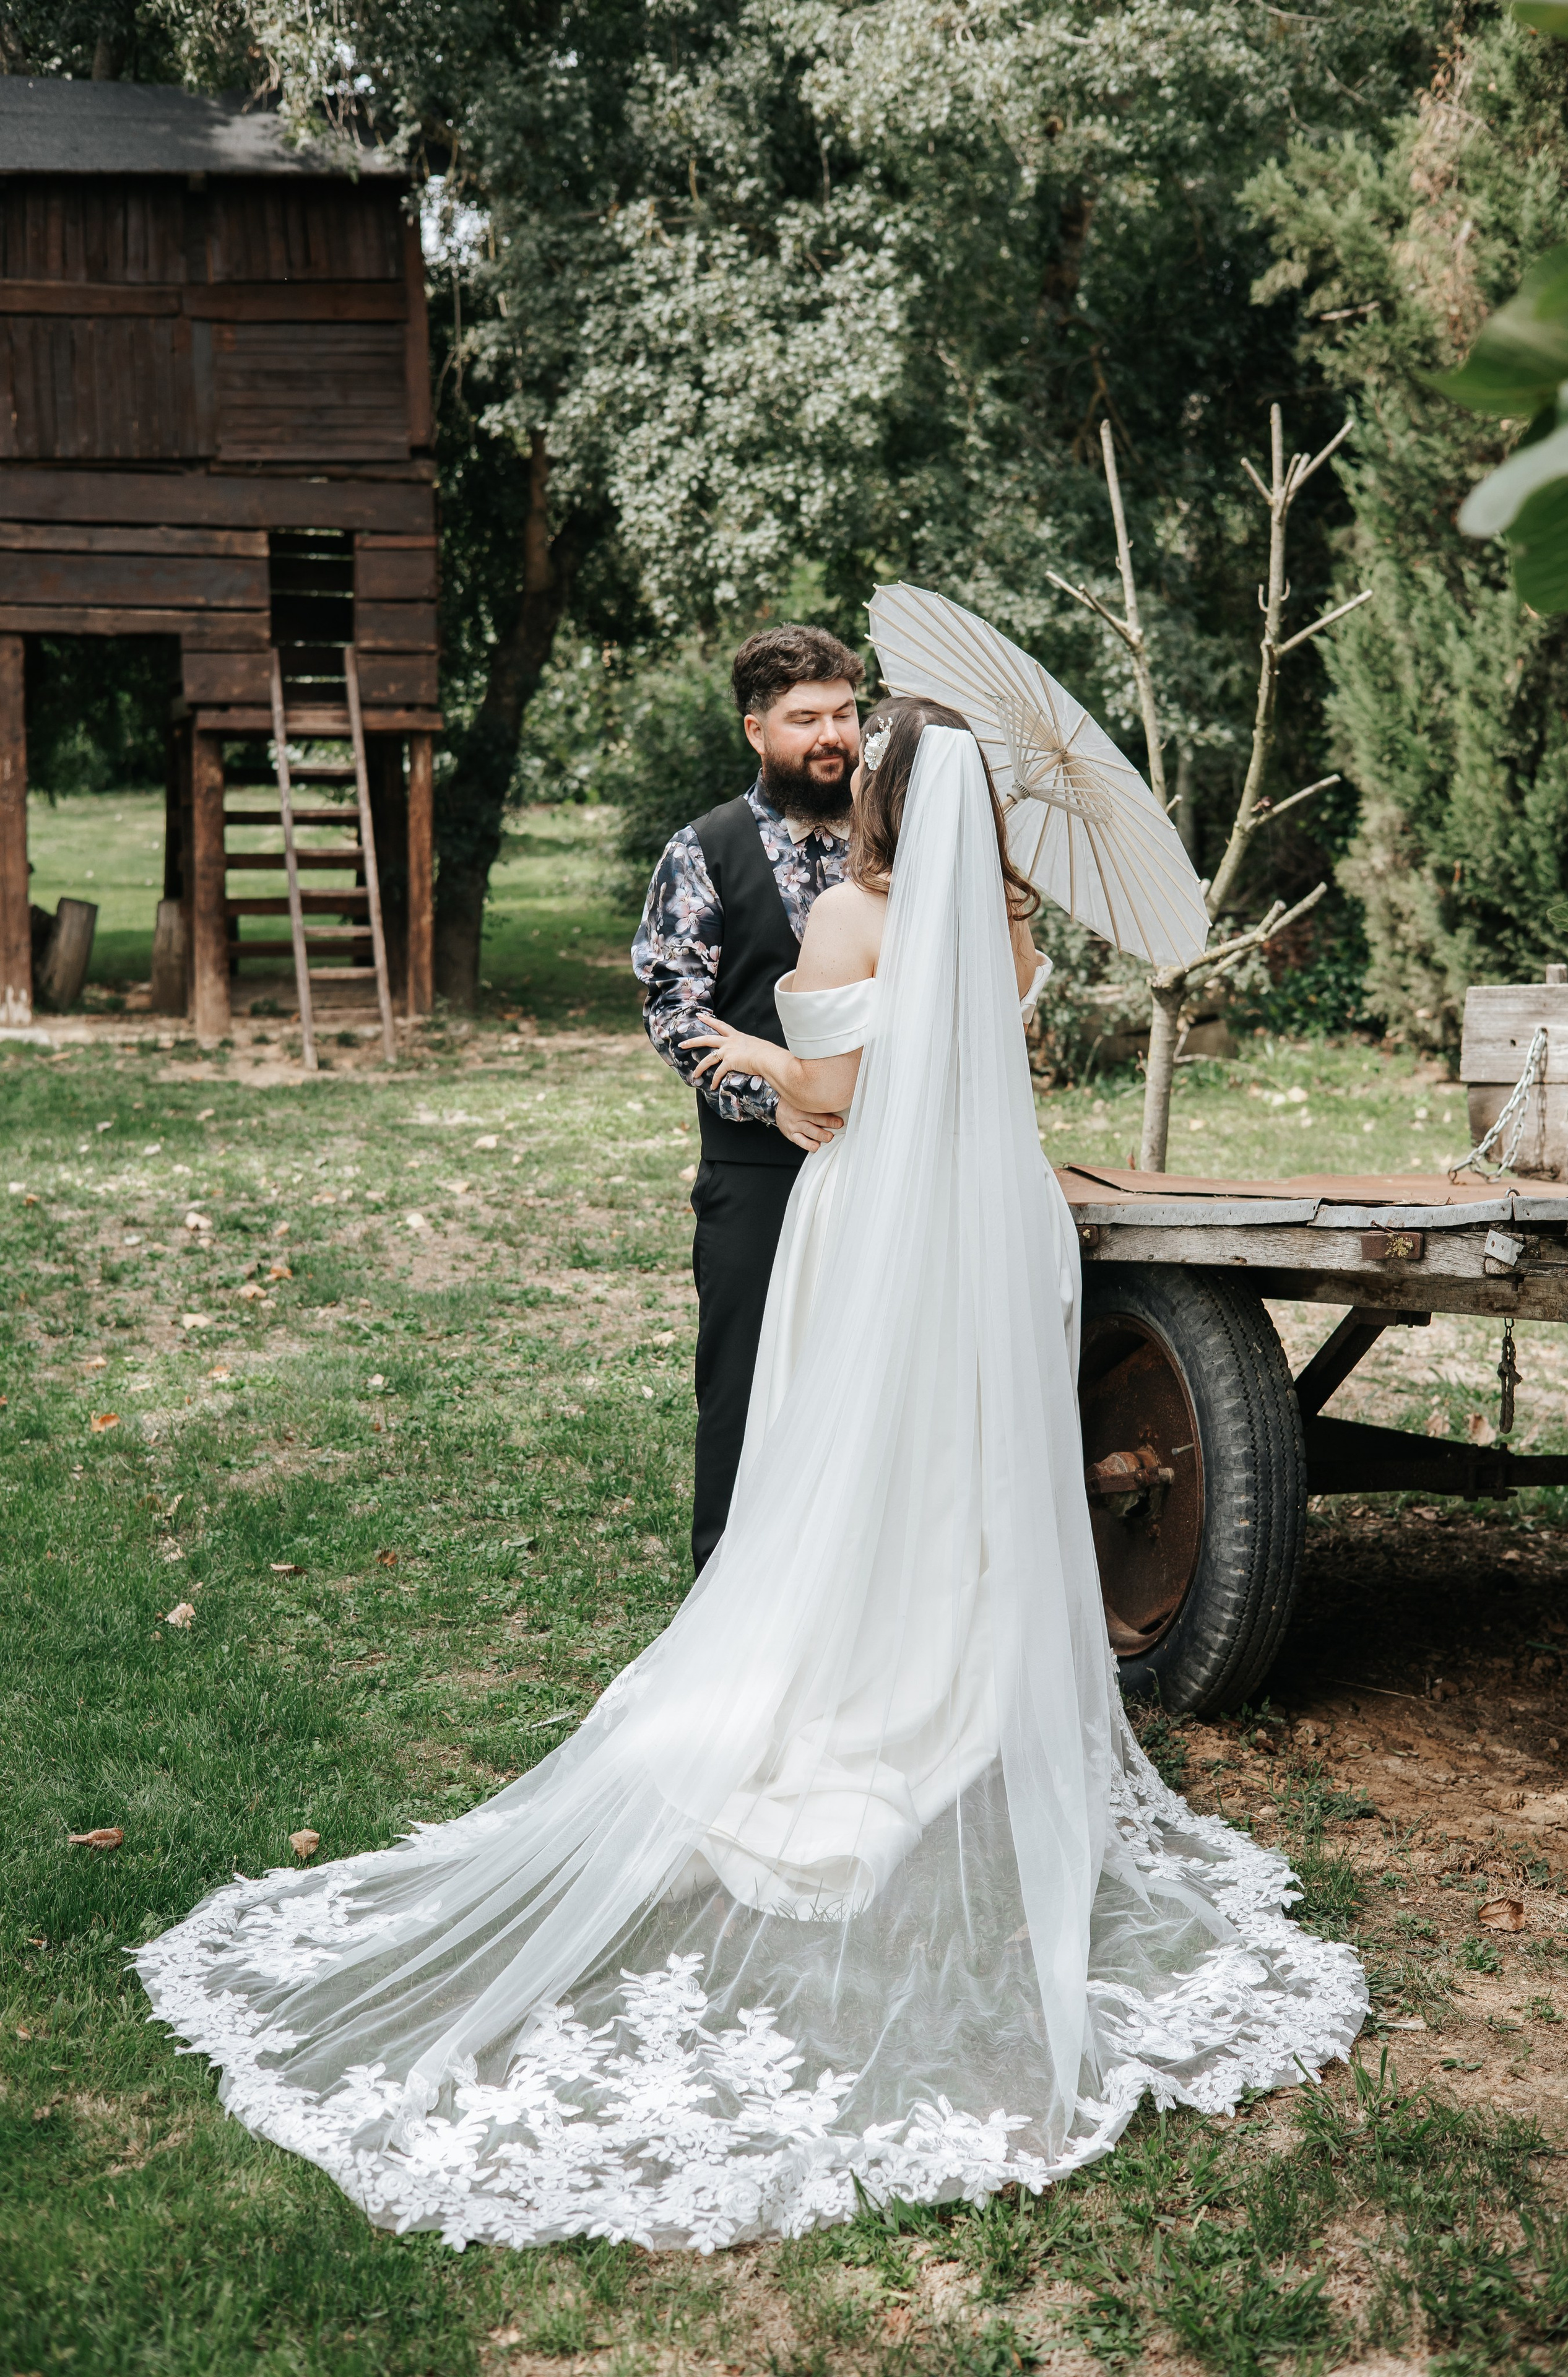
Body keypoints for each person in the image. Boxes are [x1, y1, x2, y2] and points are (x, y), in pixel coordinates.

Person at [134, 699, 1366, 2258]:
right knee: (961, 1464)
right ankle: (965, 1678)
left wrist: (747, 1051)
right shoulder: (1004, 929)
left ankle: (849, 1674)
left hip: (874, 1231)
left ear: (886, 792)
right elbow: (977, 1073)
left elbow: (838, 1104)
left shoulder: (856, 910)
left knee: (855, 1459)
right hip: (998, 1232)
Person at [632, 623, 862, 1573]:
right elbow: (673, 1007)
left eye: (845, 713)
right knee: (743, 1376)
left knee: (870, 1374)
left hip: (890, 1152)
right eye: (805, 718)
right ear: (755, 730)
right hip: (758, 1165)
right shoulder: (706, 849)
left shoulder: (899, 844)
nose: (831, 736)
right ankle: (726, 1584)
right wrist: (773, 1103)